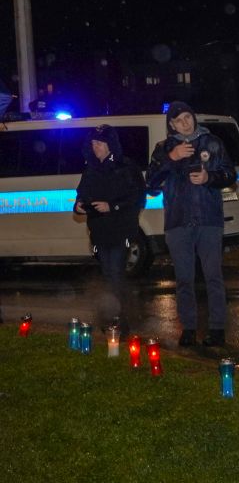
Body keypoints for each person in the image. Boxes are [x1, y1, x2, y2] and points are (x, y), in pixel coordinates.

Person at [146, 101, 235, 348]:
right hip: (178, 222)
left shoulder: (212, 142)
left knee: (213, 277)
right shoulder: (164, 148)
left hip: (208, 220)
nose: (185, 122)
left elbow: (230, 175)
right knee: (184, 279)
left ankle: (217, 329)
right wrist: (171, 159)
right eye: (179, 120)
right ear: (171, 124)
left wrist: (210, 177)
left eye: (188, 117)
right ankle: (189, 328)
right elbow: (151, 184)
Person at [73, 125, 144, 334]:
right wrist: (78, 205)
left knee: (116, 273)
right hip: (99, 232)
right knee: (107, 274)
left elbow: (137, 197)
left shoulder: (126, 167)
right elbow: (82, 194)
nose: (96, 148)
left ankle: (122, 320)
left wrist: (112, 206)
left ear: (111, 144)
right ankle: (112, 317)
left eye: (101, 143)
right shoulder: (91, 170)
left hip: (122, 230)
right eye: (93, 144)